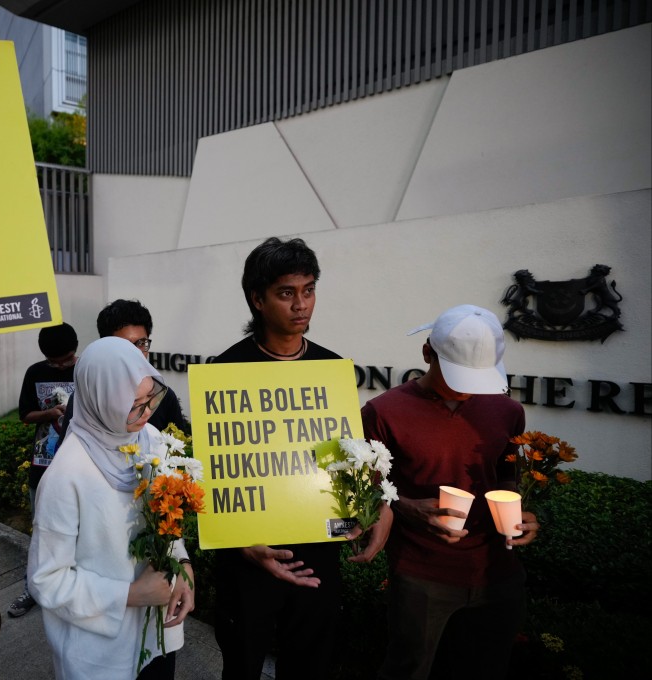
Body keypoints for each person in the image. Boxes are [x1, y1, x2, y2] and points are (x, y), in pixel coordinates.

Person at [212, 237, 391, 680]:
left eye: (308, 290)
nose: (301, 305)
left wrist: (376, 507)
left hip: (317, 547)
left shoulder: (330, 369)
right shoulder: (224, 372)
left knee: (310, 665)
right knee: (242, 665)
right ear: (257, 298)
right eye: (286, 292)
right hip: (249, 556)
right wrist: (238, 541)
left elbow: (343, 456)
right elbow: (217, 472)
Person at [362, 305, 539, 680]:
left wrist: (517, 511)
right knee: (408, 671)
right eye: (457, 374)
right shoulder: (382, 412)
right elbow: (367, 493)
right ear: (427, 353)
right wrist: (409, 508)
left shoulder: (507, 411)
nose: (468, 387)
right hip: (421, 574)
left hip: (498, 573)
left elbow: (506, 475)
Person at [27, 336, 195, 680]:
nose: (147, 411)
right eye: (134, 404)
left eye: (152, 397)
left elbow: (168, 513)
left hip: (158, 631)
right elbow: (46, 581)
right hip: (101, 654)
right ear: (100, 400)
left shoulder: (149, 439)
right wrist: (129, 595)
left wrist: (183, 566)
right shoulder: (67, 475)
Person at [8, 322, 79, 617]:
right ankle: (33, 588)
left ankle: (73, 590)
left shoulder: (87, 368)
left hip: (80, 464)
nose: (61, 366)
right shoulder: (35, 372)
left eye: (66, 359)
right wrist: (49, 413)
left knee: (79, 532)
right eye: (54, 361)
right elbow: (25, 414)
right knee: (40, 529)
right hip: (43, 462)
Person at [56, 299, 188, 451]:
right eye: (124, 346)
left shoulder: (165, 396)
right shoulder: (89, 399)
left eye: (141, 343)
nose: (135, 353)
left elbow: (178, 448)